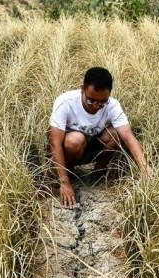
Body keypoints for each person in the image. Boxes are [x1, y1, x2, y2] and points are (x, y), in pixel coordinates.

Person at [48, 66, 151, 208]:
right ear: (82, 89)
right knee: (75, 139)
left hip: (93, 148)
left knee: (117, 133)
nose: (96, 106)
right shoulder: (65, 102)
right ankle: (70, 173)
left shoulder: (113, 105)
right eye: (91, 100)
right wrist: (64, 182)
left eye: (102, 102)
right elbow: (54, 143)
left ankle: (99, 170)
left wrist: (145, 169)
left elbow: (128, 137)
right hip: (70, 150)